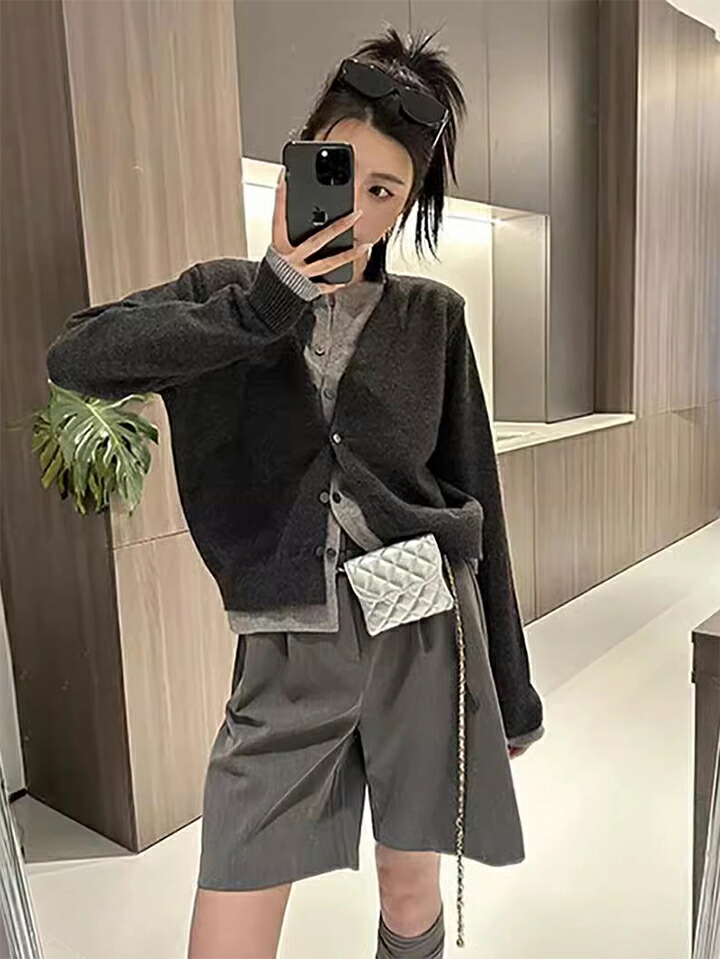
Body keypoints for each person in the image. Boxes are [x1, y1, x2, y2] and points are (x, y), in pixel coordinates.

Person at [46, 28, 544, 959]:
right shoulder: (222, 296)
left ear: (405, 208)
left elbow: (480, 496)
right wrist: (265, 302)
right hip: (285, 650)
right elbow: (76, 357)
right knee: (233, 908)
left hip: (420, 626)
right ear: (298, 161)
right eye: (339, 172)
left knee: (408, 885)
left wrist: (511, 693)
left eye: (386, 190)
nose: (357, 206)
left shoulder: (432, 319)